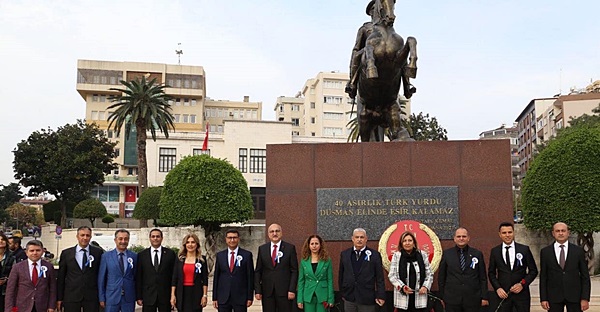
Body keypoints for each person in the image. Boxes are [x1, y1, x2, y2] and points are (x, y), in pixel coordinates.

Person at [539, 222, 591, 312]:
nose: (560, 233)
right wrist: (543, 298)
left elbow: (585, 276)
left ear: (568, 233)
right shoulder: (545, 252)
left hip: (575, 297)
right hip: (554, 297)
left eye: (563, 230)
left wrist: (585, 298)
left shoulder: (578, 251)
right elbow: (543, 276)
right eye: (557, 231)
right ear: (553, 233)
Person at [488, 222, 538, 312]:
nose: (507, 235)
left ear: (513, 233)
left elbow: (533, 271)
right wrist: (498, 288)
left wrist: (522, 284)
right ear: (499, 234)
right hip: (503, 295)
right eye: (504, 233)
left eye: (510, 232)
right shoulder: (495, 251)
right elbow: (491, 273)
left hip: (522, 296)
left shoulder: (524, 249)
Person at [438, 227, 488, 312]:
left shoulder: (477, 254)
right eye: (459, 236)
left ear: (468, 238)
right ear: (454, 238)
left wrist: (484, 297)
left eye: (464, 236)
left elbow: (482, 277)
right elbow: (441, 277)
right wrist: (442, 297)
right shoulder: (447, 254)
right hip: (452, 300)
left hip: (473, 299)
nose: (461, 238)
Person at [57, 226, 104, 312]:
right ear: (77, 236)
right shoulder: (66, 253)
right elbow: (61, 277)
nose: (85, 238)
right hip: (71, 297)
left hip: (91, 297)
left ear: (90, 237)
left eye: (87, 235)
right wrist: (59, 298)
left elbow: (101, 275)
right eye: (82, 235)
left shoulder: (98, 253)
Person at [338, 228, 386, 312]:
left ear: (366, 239)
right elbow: (341, 275)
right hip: (349, 297)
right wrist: (343, 293)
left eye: (362, 237)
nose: (359, 240)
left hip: (367, 298)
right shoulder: (345, 254)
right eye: (357, 237)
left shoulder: (375, 255)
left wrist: (381, 295)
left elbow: (379, 278)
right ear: (352, 239)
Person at [254, 223, 299, 312]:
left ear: (281, 233)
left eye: (277, 231)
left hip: (285, 292)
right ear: (268, 234)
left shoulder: (290, 248)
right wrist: (258, 290)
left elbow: (294, 270)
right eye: (272, 231)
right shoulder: (262, 249)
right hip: (267, 291)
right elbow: (258, 271)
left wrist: (292, 289)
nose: (275, 233)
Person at [4, 240, 57, 312]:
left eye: (38, 250)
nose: (35, 253)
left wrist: (51, 306)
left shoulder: (49, 267)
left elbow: (52, 288)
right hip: (22, 307)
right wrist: (9, 308)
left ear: (42, 251)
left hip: (42, 306)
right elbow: (10, 290)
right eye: (32, 251)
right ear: (26, 252)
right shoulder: (17, 267)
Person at [388, 231, 433, 312]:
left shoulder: (422, 255)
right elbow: (392, 276)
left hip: (420, 296)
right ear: (401, 244)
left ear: (414, 242)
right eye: (404, 241)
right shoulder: (397, 256)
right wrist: (402, 287)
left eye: (410, 240)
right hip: (403, 297)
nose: (407, 243)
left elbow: (429, 274)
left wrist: (425, 286)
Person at [212, 229, 254, 312]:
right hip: (223, 297)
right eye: (230, 238)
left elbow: (250, 276)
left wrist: (250, 297)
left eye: (234, 237)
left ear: (238, 239)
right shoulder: (220, 256)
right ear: (226, 239)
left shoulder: (247, 255)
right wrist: (215, 297)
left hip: (240, 297)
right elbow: (216, 277)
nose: (232, 240)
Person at [136, 229, 176, 312]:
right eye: (153, 236)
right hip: (148, 296)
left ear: (162, 238)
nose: (155, 238)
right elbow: (139, 277)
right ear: (150, 238)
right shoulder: (142, 255)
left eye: (158, 236)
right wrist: (139, 296)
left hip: (165, 296)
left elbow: (174, 275)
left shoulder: (170, 254)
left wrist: (174, 295)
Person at [98, 229, 137, 312]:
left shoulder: (134, 256)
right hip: (111, 297)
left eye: (126, 239)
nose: (123, 241)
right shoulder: (106, 256)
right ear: (115, 240)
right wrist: (101, 297)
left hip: (129, 298)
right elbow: (101, 278)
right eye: (120, 239)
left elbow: (136, 277)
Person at [345, 0, 375, 100]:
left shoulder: (388, 30)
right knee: (358, 55)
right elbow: (356, 48)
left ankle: (407, 84)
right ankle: (352, 83)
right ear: (371, 12)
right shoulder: (365, 28)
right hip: (366, 54)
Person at [171, 234, 208, 312]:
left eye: (193, 242)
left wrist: (204, 295)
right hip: (182, 293)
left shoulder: (202, 260)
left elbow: (205, 279)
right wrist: (173, 295)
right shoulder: (179, 259)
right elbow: (174, 278)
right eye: (187, 242)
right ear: (185, 245)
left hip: (196, 293)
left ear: (197, 244)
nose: (190, 245)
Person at [296, 234, 334, 312]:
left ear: (320, 245)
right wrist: (299, 299)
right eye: (312, 244)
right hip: (308, 296)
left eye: (316, 243)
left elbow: (330, 280)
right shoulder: (304, 260)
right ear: (308, 245)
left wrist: (331, 298)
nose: (314, 246)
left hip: (323, 296)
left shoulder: (327, 260)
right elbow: (301, 281)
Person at [0, 233, 16, 312]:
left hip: (6, 290)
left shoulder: (11, 257)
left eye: (2, 239)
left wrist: (6, 279)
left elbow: (15, 274)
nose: (0, 241)